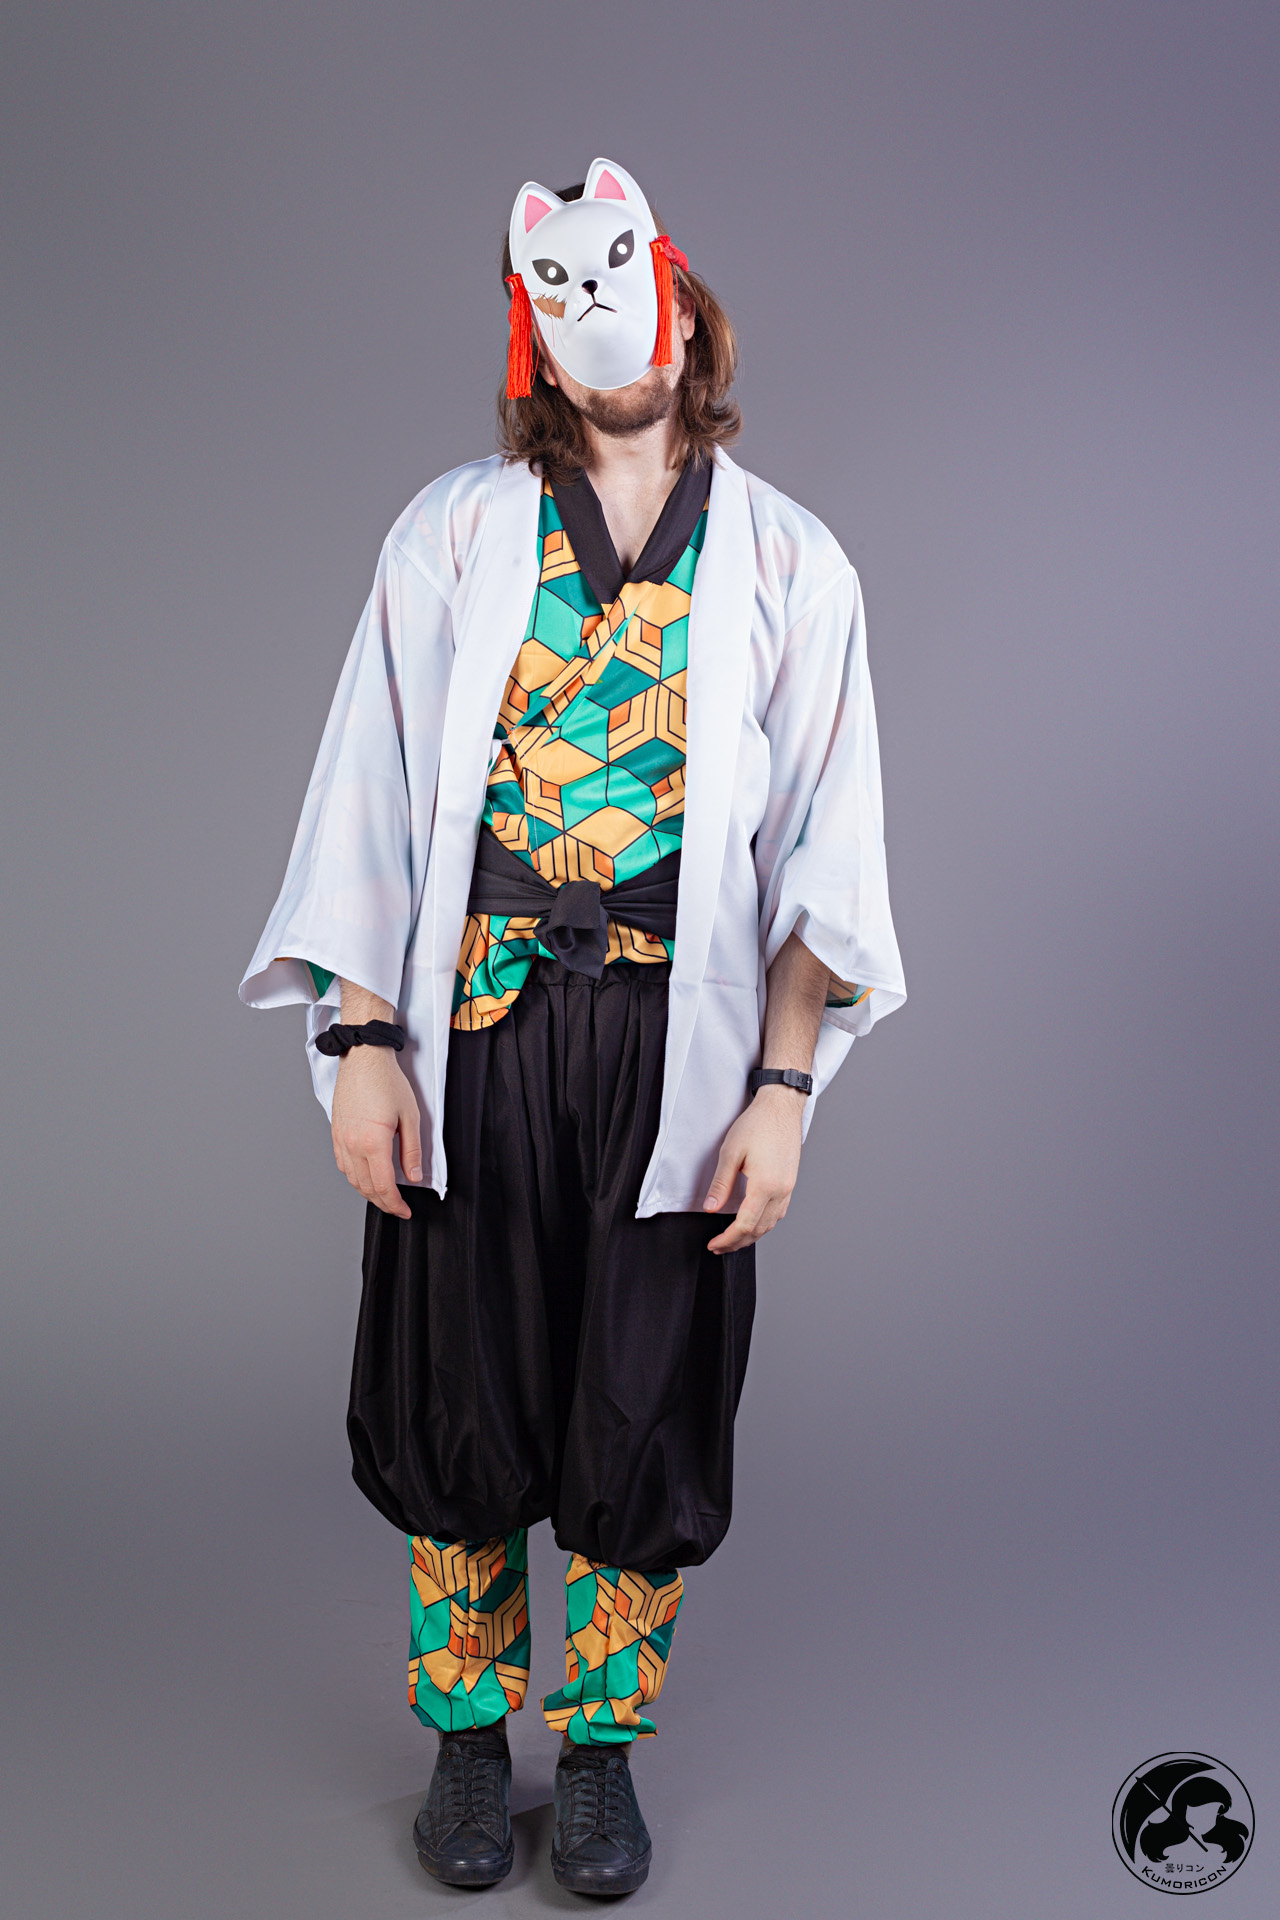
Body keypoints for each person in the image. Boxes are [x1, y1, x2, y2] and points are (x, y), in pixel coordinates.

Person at [240, 157, 905, 1896]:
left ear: (688, 316)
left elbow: (825, 857)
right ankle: (468, 1735)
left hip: (680, 1042)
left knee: (643, 1402)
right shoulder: (453, 532)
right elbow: (370, 795)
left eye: (637, 293)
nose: (618, 332)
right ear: (535, 342)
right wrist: (359, 1046)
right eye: (571, 301)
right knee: (459, 1395)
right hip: (477, 1023)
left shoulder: (792, 561)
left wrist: (785, 1090)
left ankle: (599, 1753)